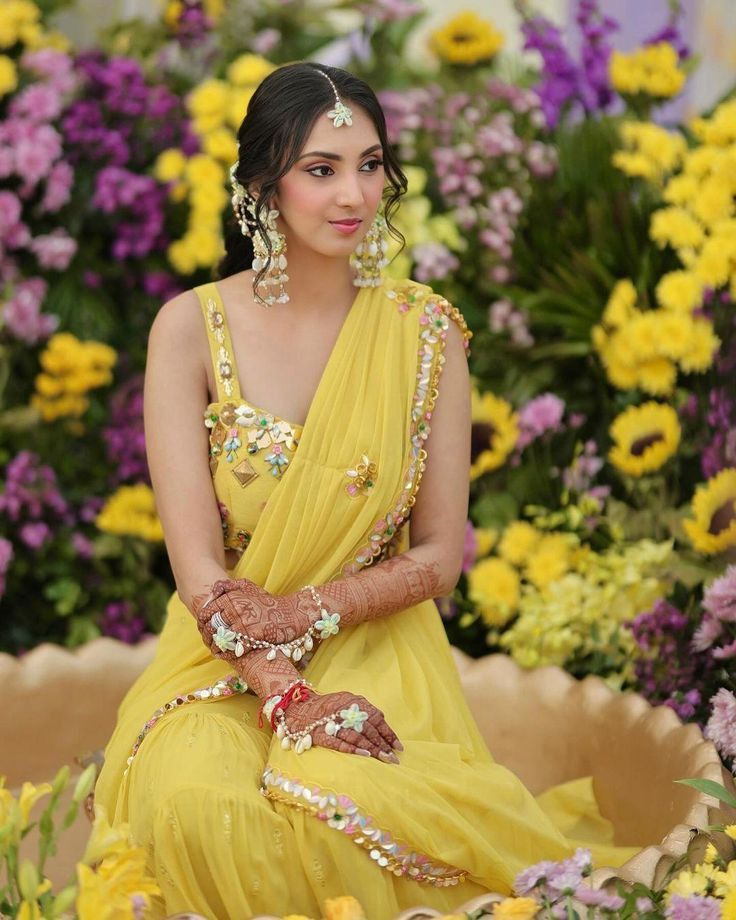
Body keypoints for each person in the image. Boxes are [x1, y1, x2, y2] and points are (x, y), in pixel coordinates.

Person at [95, 62, 640, 919]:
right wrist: (290, 689)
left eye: (371, 164)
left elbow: (438, 556)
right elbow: (198, 566)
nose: (354, 193)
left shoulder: (425, 334)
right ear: (262, 185)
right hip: (223, 661)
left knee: (342, 809)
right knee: (196, 804)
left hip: (377, 647)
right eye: (321, 169)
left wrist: (305, 610)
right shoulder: (190, 329)